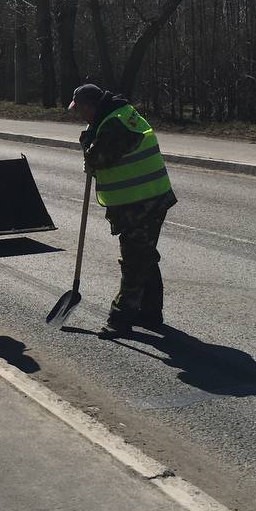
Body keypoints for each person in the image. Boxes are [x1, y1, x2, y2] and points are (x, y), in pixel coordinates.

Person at [68, 82, 176, 334]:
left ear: (89, 106)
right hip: (145, 199)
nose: (78, 116)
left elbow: (99, 159)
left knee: (134, 260)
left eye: (79, 110)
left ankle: (120, 319)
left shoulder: (115, 124)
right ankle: (150, 313)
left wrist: (87, 142)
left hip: (142, 203)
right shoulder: (116, 116)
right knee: (143, 255)